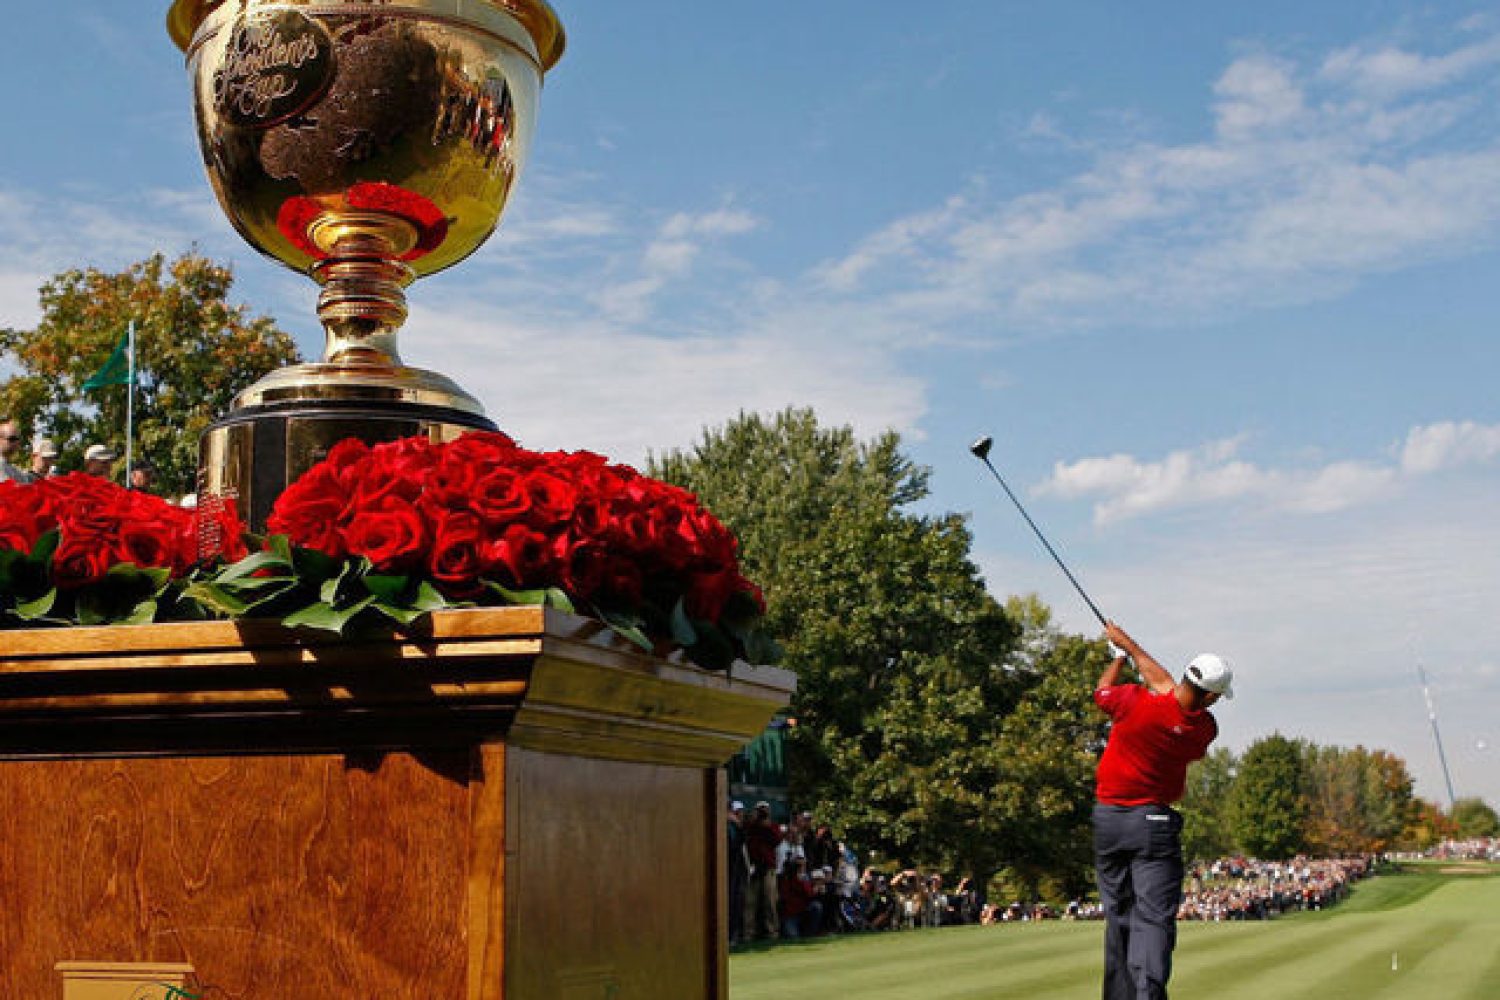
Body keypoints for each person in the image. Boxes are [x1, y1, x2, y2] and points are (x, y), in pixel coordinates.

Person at [1093, 621, 1233, 1000]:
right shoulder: (1202, 728)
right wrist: (1132, 647)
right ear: (1211, 698)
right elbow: (1168, 689)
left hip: (1108, 820)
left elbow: (1103, 691)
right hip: (1152, 824)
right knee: (1152, 918)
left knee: (1119, 915)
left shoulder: (1132, 702)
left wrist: (1121, 655)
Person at [726, 800, 749, 946]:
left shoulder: (735, 827)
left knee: (735, 903)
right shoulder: (726, 827)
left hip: (735, 871)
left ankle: (732, 936)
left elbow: (740, 843)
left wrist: (738, 825)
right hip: (727, 871)